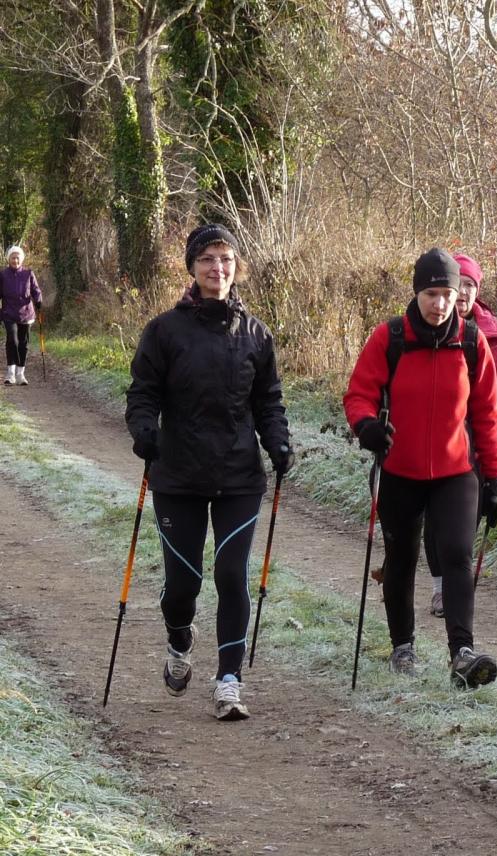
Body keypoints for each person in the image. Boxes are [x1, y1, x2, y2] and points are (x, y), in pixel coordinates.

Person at [126, 224, 292, 721]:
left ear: (236, 267)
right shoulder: (163, 331)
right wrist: (143, 429)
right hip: (177, 476)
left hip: (239, 476)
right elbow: (143, 393)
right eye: (207, 259)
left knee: (231, 575)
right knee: (184, 585)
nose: (217, 268)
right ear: (192, 268)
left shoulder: (256, 334)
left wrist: (278, 440)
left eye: (225, 259)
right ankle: (180, 638)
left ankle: (228, 681)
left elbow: (269, 402)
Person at [343, 248, 497, 687]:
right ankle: (403, 647)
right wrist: (367, 427)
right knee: (402, 558)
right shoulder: (391, 338)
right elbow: (358, 394)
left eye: (448, 295)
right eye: (431, 294)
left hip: (456, 471)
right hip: (400, 469)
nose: (439, 304)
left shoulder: (472, 343)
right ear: (417, 293)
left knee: (456, 555)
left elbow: (487, 415)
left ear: (460, 296)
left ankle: (462, 653)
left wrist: (494, 476)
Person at [422, 252, 497, 618]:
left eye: (470, 286)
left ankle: (457, 581)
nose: (464, 293)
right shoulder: (425, 326)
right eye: (459, 285)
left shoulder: (495, 335)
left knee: (473, 512)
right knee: (437, 518)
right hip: (439, 436)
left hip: (480, 438)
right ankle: (442, 589)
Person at [1, 245, 42, 386]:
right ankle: (10, 373)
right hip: (8, 313)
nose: (15, 261)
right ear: (9, 259)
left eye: (17, 258)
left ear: (21, 259)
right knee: (12, 340)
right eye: (13, 258)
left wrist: (38, 300)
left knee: (23, 343)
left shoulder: (28, 273)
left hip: (26, 313)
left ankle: (20, 374)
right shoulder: (3, 275)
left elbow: (36, 290)